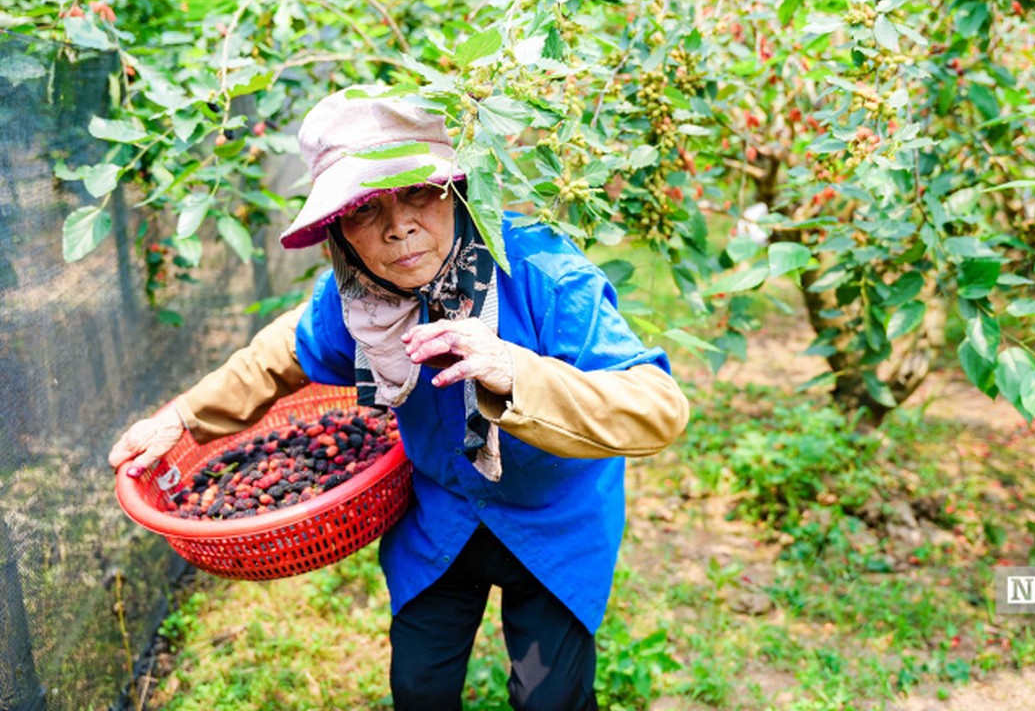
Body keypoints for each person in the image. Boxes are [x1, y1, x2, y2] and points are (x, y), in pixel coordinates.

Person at [108, 87, 690, 710]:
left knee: (549, 698)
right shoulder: (358, 301)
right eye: (365, 210)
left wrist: (513, 369)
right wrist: (182, 418)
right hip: (441, 518)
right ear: (338, 229)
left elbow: (656, 405)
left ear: (458, 190)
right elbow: (282, 352)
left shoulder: (542, 273)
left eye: (419, 191)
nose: (398, 227)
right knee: (419, 687)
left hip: (553, 516)